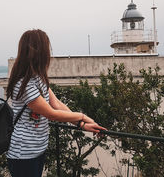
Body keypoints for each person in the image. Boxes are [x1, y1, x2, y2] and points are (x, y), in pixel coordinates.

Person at [6, 29, 106, 177]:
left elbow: (57, 104)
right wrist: (83, 116)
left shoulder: (38, 78)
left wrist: (81, 124)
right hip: (23, 153)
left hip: (37, 149)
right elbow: (51, 114)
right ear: (39, 52)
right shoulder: (24, 84)